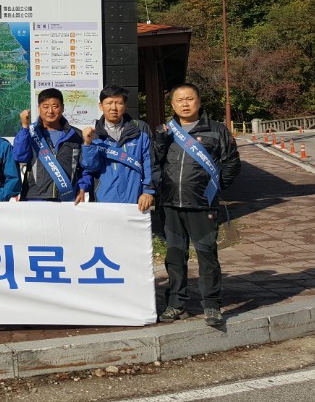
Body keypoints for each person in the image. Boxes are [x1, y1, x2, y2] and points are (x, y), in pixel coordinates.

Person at [155, 83, 241, 327]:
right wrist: (160, 142)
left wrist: (214, 188)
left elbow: (232, 163)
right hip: (171, 205)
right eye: (179, 100)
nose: (185, 104)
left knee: (207, 256)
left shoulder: (217, 130)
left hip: (202, 206)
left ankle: (212, 305)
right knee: (174, 257)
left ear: (199, 101)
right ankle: (176, 304)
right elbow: (154, 163)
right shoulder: (165, 131)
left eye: (189, 99)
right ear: (172, 105)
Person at [80, 85, 158, 212]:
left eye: (118, 103)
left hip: (136, 201)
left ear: (125, 105)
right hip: (104, 202)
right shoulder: (93, 134)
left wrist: (148, 191)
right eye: (109, 103)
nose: (113, 108)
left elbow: (150, 163)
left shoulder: (140, 129)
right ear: (101, 106)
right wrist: (88, 144)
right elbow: (91, 167)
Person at [12, 88, 91, 202]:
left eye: (55, 106)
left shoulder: (76, 135)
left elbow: (85, 167)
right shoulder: (29, 133)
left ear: (62, 108)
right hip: (34, 198)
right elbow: (20, 156)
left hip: (67, 198)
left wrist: (82, 188)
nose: (50, 111)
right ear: (39, 108)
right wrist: (25, 127)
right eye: (45, 106)